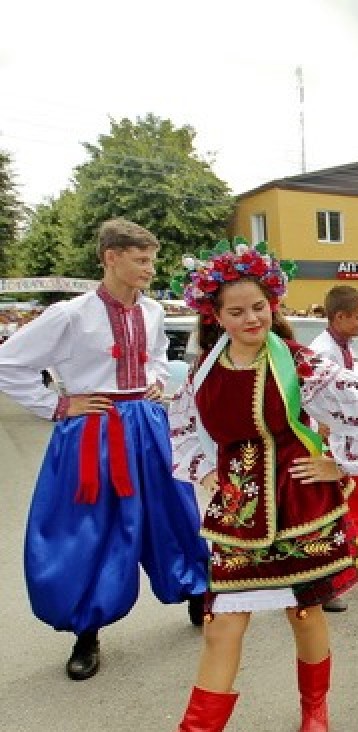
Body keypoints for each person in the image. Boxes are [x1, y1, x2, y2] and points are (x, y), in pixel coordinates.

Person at [111, 240, 358, 732]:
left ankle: (315, 712)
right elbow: (186, 423)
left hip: (299, 506)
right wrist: (207, 472)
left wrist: (341, 465)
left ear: (274, 306)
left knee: (305, 613)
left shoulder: (299, 361)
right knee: (221, 623)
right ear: (215, 317)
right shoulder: (204, 369)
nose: (250, 319)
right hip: (239, 513)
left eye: (258, 308)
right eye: (236, 312)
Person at [0, 218, 207, 681]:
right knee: (91, 526)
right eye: (140, 259)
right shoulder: (70, 314)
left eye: (151, 259)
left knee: (173, 510)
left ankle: (196, 593)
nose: (149, 268)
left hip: (148, 423)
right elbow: (8, 363)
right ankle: (86, 632)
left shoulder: (153, 312)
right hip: (94, 429)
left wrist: (155, 380)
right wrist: (56, 404)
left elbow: (155, 356)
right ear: (111, 257)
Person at [307, 285, 358, 613]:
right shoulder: (323, 352)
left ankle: (330, 581)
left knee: (341, 510)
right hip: (323, 441)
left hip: (337, 436)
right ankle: (324, 585)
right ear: (338, 317)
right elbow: (313, 398)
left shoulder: (340, 346)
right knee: (327, 513)